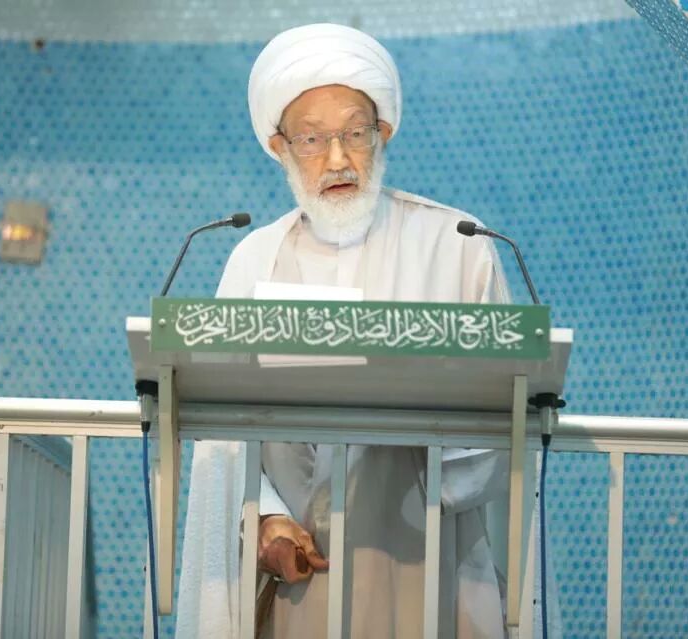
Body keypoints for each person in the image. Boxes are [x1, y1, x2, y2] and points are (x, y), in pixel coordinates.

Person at [176, 23, 553, 639]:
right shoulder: (254, 259)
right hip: (302, 572)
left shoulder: (458, 245)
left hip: (432, 562)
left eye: (355, 133)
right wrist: (266, 519)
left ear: (384, 133)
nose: (337, 159)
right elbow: (223, 431)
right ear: (279, 148)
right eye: (312, 139)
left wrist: (412, 442)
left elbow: (504, 418)